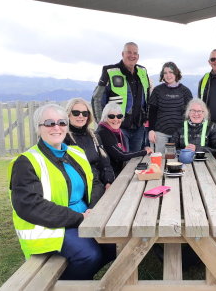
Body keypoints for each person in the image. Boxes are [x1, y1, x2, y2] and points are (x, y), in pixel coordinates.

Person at [9, 104, 115, 280]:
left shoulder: (76, 153)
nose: (56, 127)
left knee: (115, 245)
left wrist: (93, 210)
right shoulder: (26, 162)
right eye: (49, 123)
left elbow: (94, 182)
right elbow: (30, 206)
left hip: (84, 216)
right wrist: (80, 217)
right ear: (38, 128)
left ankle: (81, 280)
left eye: (61, 122)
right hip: (50, 226)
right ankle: (65, 284)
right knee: (89, 255)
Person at [91, 42, 150, 152]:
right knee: (121, 162)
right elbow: (97, 99)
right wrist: (102, 124)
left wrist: (146, 117)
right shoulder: (110, 71)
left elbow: (147, 96)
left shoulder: (142, 71)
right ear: (122, 54)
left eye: (135, 53)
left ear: (138, 56)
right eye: (129, 52)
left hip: (138, 127)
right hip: (118, 127)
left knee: (134, 161)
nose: (132, 55)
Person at [64, 98, 115, 190]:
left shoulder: (94, 136)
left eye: (85, 113)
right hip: (80, 189)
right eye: (76, 113)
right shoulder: (64, 138)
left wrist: (108, 182)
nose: (81, 116)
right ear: (68, 114)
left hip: (99, 185)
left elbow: (105, 163)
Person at [96, 102, 153, 176]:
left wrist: (144, 148)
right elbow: (120, 155)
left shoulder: (117, 131)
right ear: (105, 117)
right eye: (111, 116)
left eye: (119, 116)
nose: (116, 119)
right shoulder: (103, 132)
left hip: (117, 171)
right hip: (108, 176)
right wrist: (144, 152)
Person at [148, 62, 193, 153]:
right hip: (160, 133)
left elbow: (190, 113)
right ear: (162, 75)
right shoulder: (157, 90)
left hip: (180, 134)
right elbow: (152, 112)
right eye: (165, 73)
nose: (168, 75)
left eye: (171, 72)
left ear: (176, 73)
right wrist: (151, 130)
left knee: (179, 160)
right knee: (159, 160)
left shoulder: (185, 91)